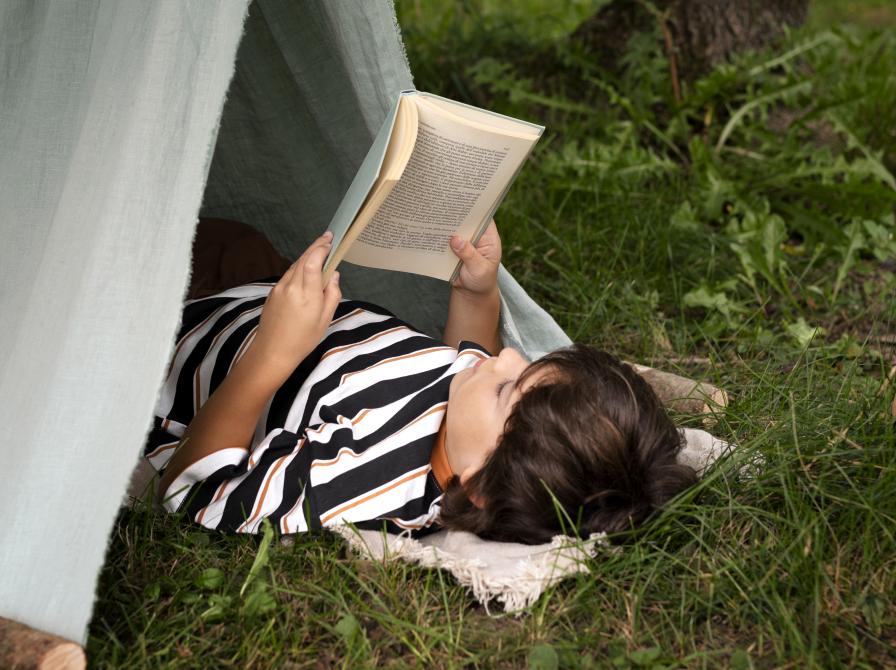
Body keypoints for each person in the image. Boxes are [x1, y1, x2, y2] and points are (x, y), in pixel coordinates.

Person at [146, 219, 696, 545]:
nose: (505, 357)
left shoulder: (366, 483)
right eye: (523, 368)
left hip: (173, 335)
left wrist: (272, 353)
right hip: (256, 287)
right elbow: (467, 356)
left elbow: (196, 488)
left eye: (510, 387)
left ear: (477, 485)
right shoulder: (472, 419)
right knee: (227, 236)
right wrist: (475, 295)